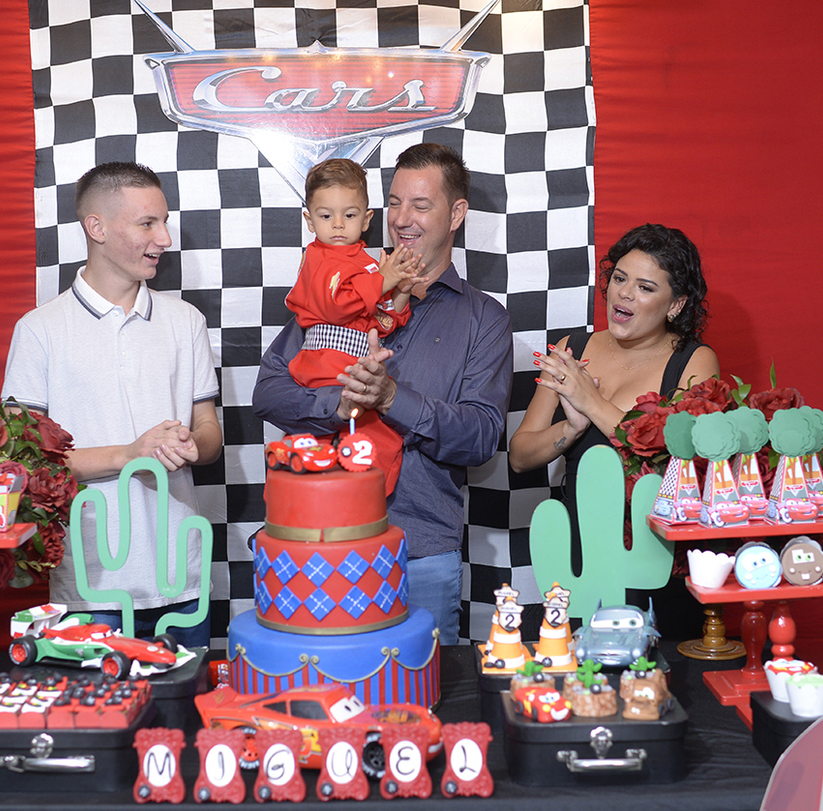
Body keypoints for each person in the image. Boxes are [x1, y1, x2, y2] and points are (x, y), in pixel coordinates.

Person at [253, 143, 513, 645]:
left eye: (421, 205)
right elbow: (268, 392)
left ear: (457, 213)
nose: (402, 219)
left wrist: (391, 398)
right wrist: (338, 405)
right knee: (317, 685)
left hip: (420, 552)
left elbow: (481, 437)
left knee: (420, 686)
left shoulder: (484, 319)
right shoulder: (337, 292)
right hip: (317, 544)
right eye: (394, 203)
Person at [2, 161, 222, 647]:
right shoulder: (39, 330)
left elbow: (209, 431)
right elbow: (23, 462)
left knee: (186, 699)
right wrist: (128, 454)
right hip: (89, 585)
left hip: (181, 577)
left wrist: (192, 443)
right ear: (96, 228)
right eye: (147, 223)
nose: (164, 238)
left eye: (164, 222)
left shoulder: (185, 320)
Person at [508, 223, 719, 510]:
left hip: (649, 529)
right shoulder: (572, 348)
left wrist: (591, 402)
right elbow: (519, 458)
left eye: (645, 287)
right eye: (620, 278)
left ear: (676, 305)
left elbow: (679, 464)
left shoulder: (695, 360)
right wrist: (571, 428)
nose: (625, 293)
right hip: (575, 525)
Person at [285, 158, 422, 494]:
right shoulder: (317, 257)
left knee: (383, 436)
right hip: (327, 364)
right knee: (355, 433)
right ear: (309, 220)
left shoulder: (367, 263)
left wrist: (400, 291)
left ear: (366, 219)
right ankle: (329, 488)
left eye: (349, 215)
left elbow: (381, 322)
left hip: (354, 363)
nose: (337, 225)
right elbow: (336, 307)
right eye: (325, 216)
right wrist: (384, 279)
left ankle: (360, 493)